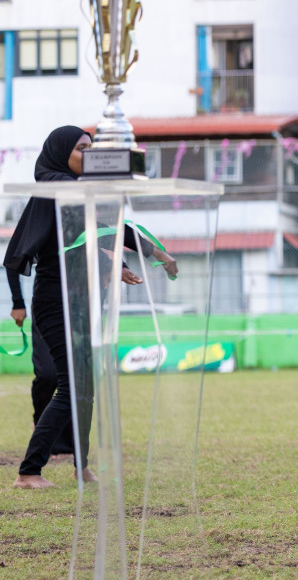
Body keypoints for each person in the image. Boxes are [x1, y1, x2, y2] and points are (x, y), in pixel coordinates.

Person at [8, 127, 177, 489]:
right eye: (81, 149)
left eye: (91, 148)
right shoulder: (53, 189)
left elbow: (100, 230)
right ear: (59, 152)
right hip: (55, 301)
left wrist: (154, 252)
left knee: (86, 387)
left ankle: (81, 466)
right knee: (71, 384)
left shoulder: (70, 191)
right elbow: (91, 234)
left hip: (80, 297)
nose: (89, 154)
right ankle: (28, 471)